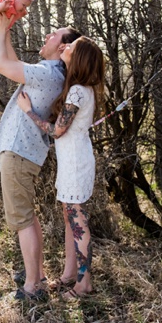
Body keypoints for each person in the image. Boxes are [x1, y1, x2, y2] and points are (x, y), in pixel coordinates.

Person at [0, 10, 82, 301]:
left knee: (22, 219)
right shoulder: (49, 73)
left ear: (61, 48)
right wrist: (4, 32)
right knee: (26, 216)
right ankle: (38, 275)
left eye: (53, 34)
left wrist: (3, 29)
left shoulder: (47, 74)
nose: (47, 36)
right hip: (21, 151)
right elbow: (13, 63)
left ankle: (33, 286)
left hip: (19, 152)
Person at [17, 36, 105, 300]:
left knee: (77, 222)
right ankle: (71, 276)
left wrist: (29, 111)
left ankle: (84, 284)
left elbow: (56, 131)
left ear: (80, 58)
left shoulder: (78, 90)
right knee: (72, 218)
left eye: (72, 47)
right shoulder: (80, 88)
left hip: (75, 162)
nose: (65, 47)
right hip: (73, 160)